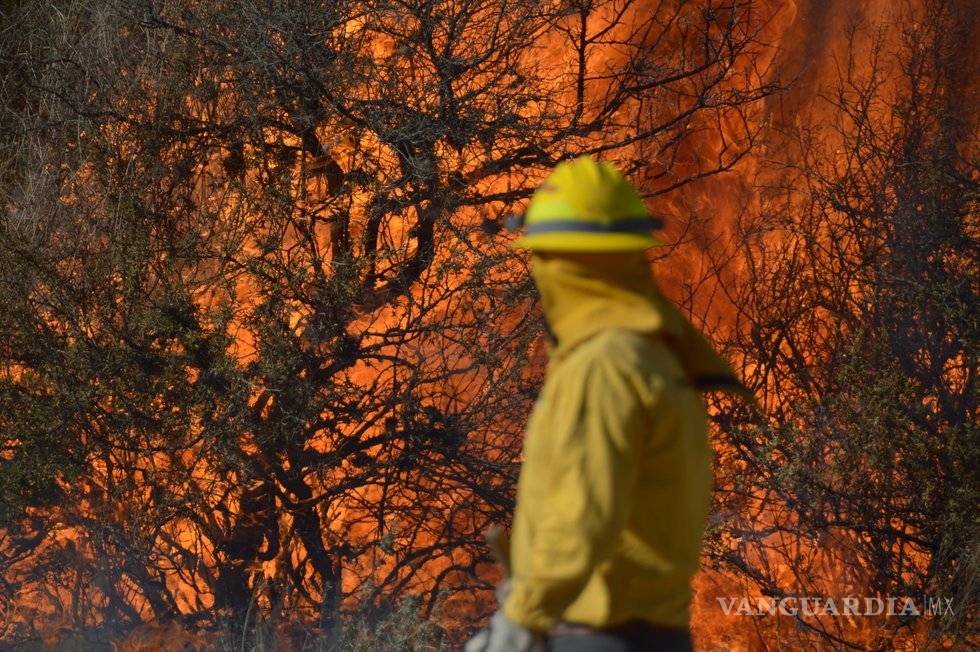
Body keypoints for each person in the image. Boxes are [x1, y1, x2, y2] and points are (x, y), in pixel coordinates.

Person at [464, 156, 754, 652]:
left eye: (542, 256)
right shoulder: (655, 351)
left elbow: (583, 514)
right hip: (652, 633)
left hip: (594, 636)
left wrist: (519, 620)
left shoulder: (604, 365)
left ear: (564, 263)